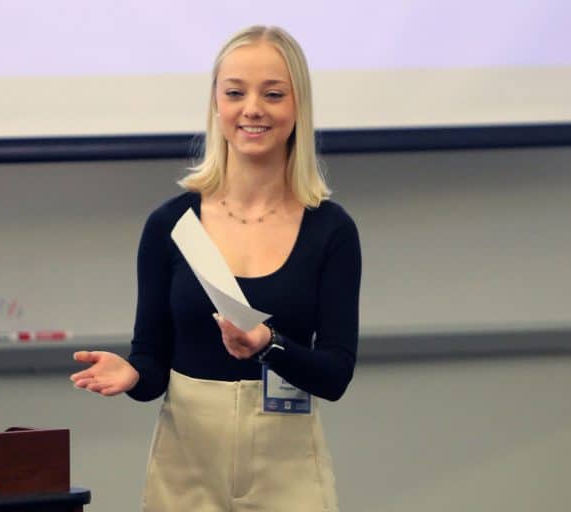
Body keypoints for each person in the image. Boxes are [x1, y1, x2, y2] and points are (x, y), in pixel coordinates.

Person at [70, 25, 361, 512]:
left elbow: (334, 375)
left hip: (287, 470)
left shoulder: (331, 231)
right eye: (235, 93)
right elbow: (152, 366)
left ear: (298, 107)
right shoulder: (169, 225)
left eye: (272, 94)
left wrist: (270, 345)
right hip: (186, 471)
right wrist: (131, 375)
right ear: (216, 104)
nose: (252, 109)